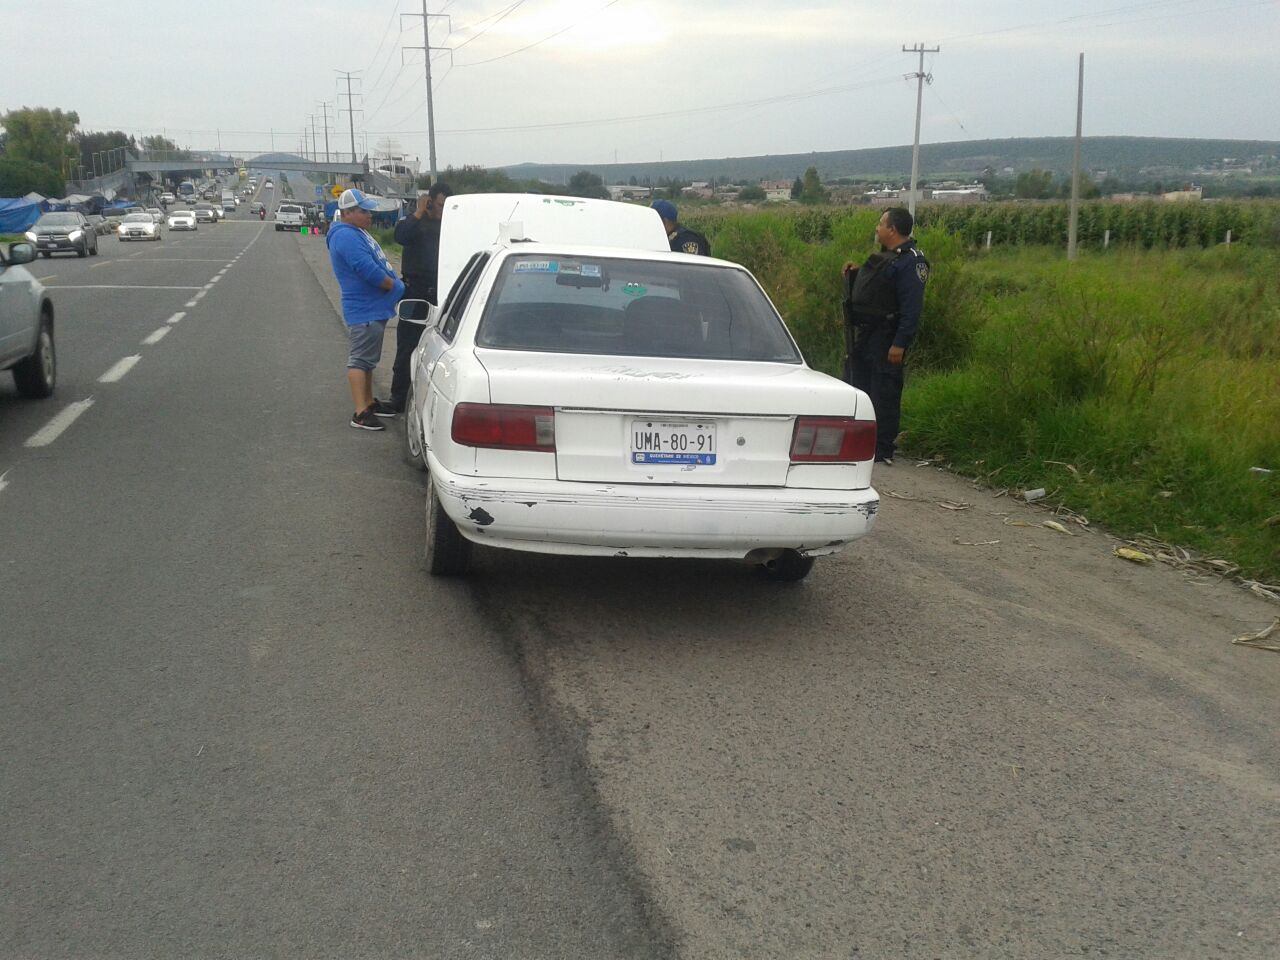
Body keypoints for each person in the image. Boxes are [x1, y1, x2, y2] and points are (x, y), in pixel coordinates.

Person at [841, 207, 929, 465]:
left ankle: (881, 447)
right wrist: (854, 273)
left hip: (888, 336)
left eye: (881, 224)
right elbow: (880, 288)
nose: (877, 228)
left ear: (892, 229)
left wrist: (899, 343)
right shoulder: (887, 258)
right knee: (858, 384)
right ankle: (858, 440)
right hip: (868, 333)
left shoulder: (912, 261)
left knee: (884, 391)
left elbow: (911, 308)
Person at [327, 188, 405, 431]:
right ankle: (360, 413)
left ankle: (369, 402)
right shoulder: (346, 236)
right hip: (365, 309)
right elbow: (366, 268)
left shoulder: (355, 232)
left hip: (373, 308)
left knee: (368, 361)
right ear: (347, 213)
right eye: (364, 211)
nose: (370, 215)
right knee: (360, 361)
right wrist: (391, 284)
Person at [389, 182, 451, 413]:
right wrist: (418, 212)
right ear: (430, 202)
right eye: (440, 205)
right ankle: (398, 398)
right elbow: (400, 236)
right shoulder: (414, 223)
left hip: (441, 292)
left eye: (446, 206)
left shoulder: (452, 226)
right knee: (407, 346)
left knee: (439, 347)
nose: (442, 210)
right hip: (416, 291)